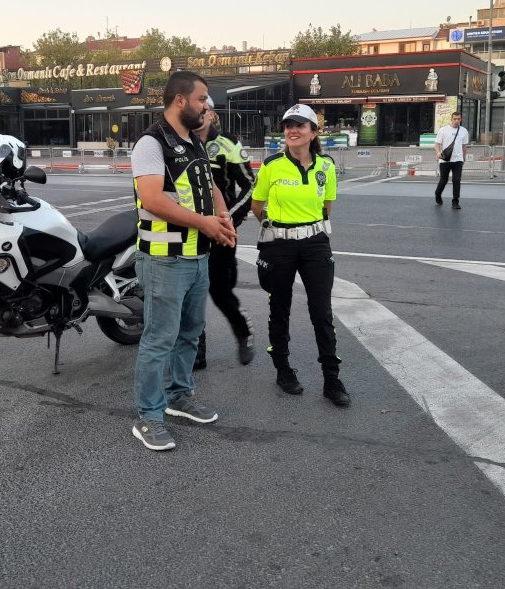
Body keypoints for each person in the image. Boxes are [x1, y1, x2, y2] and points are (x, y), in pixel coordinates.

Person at [130, 71, 237, 451]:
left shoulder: (193, 141)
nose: (207, 105)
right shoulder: (150, 143)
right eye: (202, 98)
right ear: (180, 100)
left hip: (197, 257)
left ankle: (179, 395)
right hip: (164, 260)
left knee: (190, 334)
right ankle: (148, 416)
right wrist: (205, 224)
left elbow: (209, 185)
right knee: (159, 339)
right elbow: (154, 200)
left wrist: (221, 217)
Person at [250, 104, 349, 408]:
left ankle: (332, 380)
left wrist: (309, 228)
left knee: (322, 313)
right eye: (288, 125)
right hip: (279, 244)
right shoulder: (271, 165)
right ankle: (283, 370)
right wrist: (278, 228)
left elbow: (327, 205)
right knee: (279, 309)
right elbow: (257, 205)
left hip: (315, 244)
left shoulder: (326, 167)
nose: (292, 130)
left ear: (313, 132)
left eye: (300, 125)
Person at [193, 101, 256, 370]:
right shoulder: (176, 142)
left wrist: (229, 219)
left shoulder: (228, 144)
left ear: (212, 113)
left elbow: (250, 185)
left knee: (220, 291)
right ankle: (197, 350)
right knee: (190, 294)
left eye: (205, 108)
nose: (200, 114)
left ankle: (243, 333)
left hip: (222, 232)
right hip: (187, 230)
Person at [434, 112, 469, 210]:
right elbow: (437, 144)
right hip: (445, 160)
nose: (457, 121)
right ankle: (438, 193)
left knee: (456, 180)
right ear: (451, 119)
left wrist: (463, 157)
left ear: (461, 119)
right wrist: (438, 153)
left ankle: (455, 201)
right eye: (455, 119)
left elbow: (464, 146)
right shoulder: (443, 130)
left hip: (458, 160)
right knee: (443, 180)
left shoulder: (464, 131)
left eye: (458, 119)